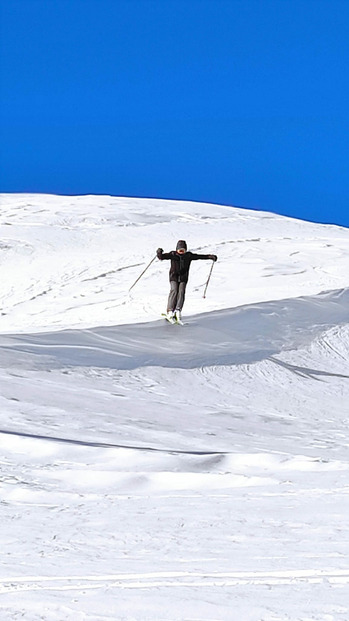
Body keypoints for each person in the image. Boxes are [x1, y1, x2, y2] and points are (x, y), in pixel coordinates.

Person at [157, 240, 217, 321]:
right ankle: (170, 310)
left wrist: (210, 257)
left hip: (183, 278)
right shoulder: (172, 254)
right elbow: (161, 257)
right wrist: (159, 253)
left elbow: (199, 256)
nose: (181, 252)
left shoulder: (188, 256)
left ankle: (178, 310)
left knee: (181, 292)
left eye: (183, 250)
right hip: (173, 277)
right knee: (174, 291)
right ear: (177, 249)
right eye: (180, 250)